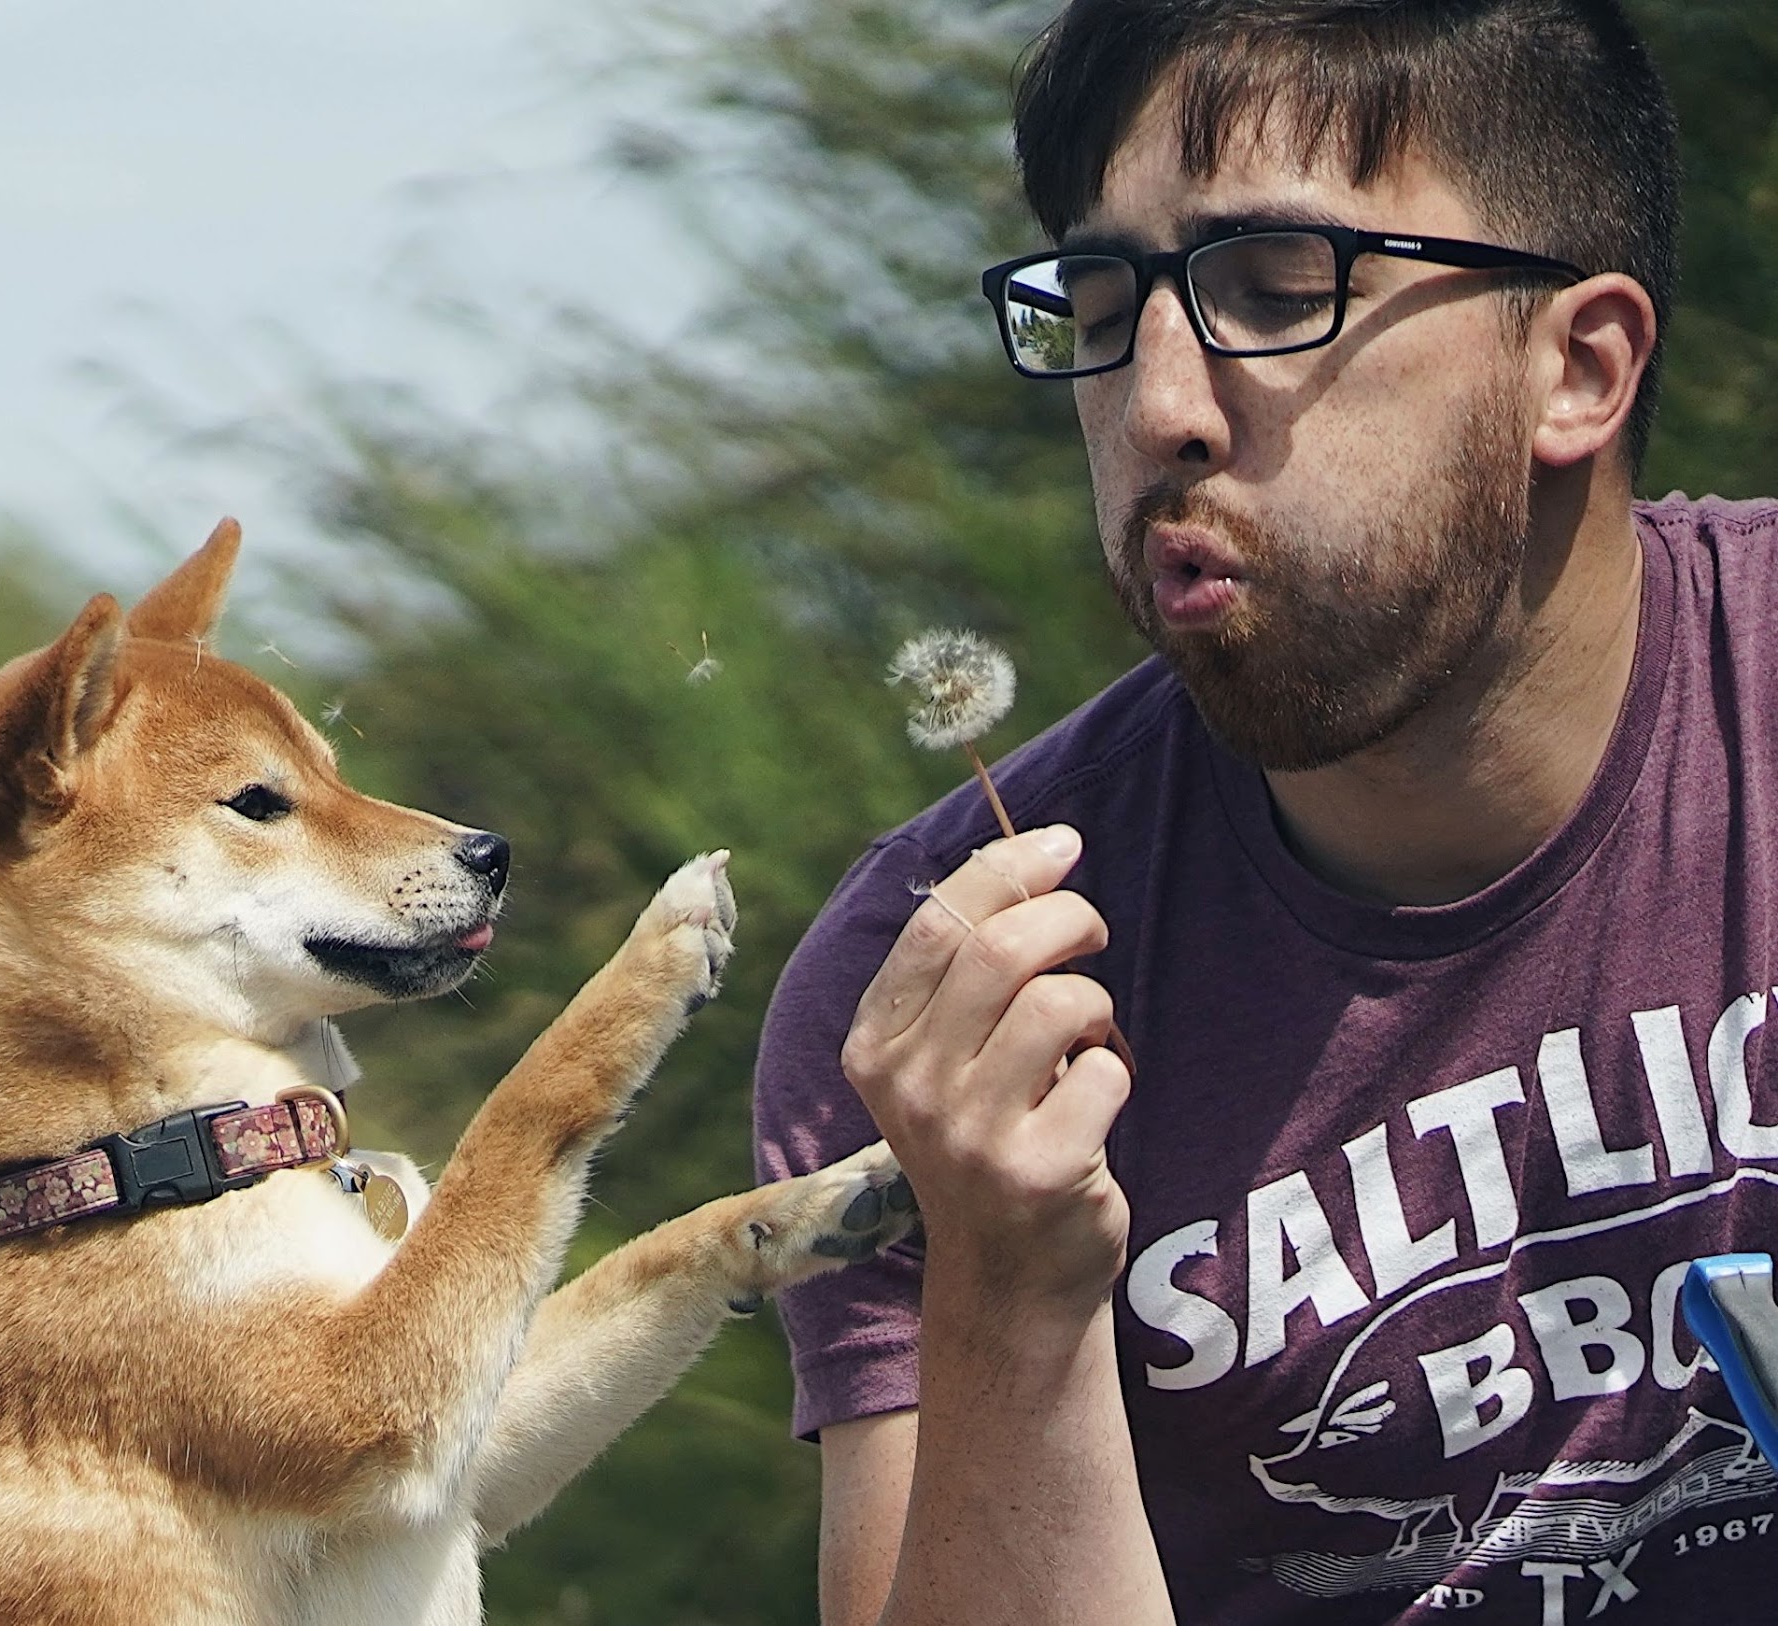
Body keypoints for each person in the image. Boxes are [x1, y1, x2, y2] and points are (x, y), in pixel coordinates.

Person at [751, 2, 1778, 1622]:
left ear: (1577, 365)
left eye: (1276, 291)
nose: (1162, 405)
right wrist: (1012, 1299)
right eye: (1103, 303)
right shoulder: (936, 993)